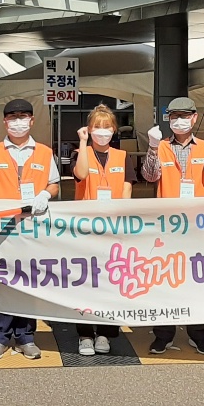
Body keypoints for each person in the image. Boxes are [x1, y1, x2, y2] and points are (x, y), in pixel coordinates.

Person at [0, 98, 60, 360]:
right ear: (5, 122)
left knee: (27, 281)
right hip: (1, 228)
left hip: (31, 228)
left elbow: (54, 184)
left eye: (23, 117)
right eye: (13, 118)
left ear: (32, 121)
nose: (18, 122)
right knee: (2, 282)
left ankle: (26, 336)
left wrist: (45, 194)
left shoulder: (44, 151)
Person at [142, 97, 204, 356]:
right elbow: (149, 175)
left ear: (194, 118)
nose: (179, 121)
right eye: (174, 117)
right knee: (165, 280)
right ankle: (163, 334)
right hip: (168, 227)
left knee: (198, 280)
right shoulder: (160, 146)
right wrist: (152, 147)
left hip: (198, 226)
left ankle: (199, 333)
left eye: (184, 116)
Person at [70, 103, 137, 356]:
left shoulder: (122, 156)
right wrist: (83, 143)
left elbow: (127, 189)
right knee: (86, 282)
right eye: (97, 126)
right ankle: (85, 334)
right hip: (86, 229)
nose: (102, 131)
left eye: (107, 126)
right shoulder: (81, 153)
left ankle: (106, 333)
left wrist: (123, 224)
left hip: (113, 229)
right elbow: (80, 174)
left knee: (111, 281)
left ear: (114, 130)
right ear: (89, 129)